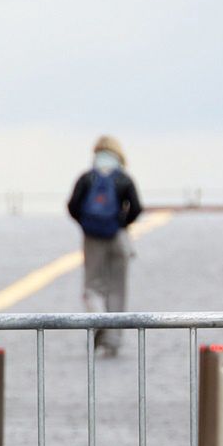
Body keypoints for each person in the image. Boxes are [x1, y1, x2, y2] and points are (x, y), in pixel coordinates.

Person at [66, 135, 144, 357]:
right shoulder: (123, 178)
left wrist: (87, 224)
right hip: (118, 237)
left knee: (92, 285)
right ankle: (113, 340)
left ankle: (97, 315)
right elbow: (137, 207)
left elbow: (72, 205)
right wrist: (120, 223)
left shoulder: (87, 177)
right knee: (117, 288)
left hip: (92, 237)